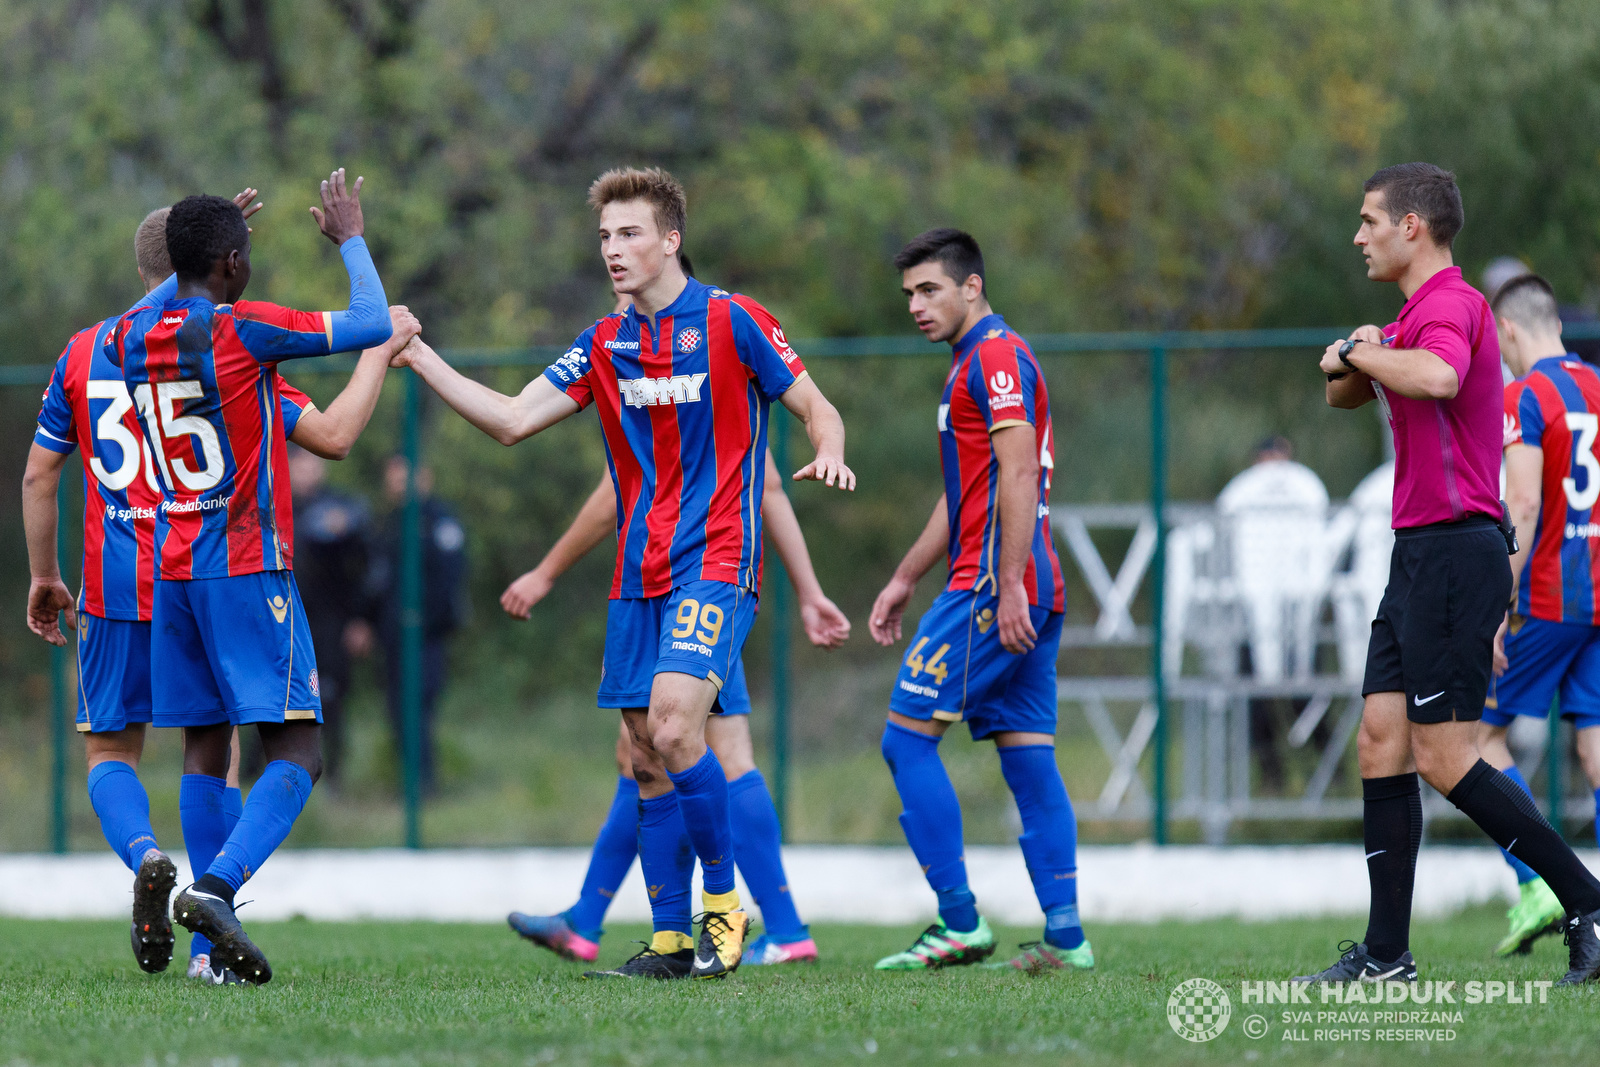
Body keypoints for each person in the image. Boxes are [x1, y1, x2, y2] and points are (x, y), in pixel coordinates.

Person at [391, 165, 853, 980]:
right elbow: (509, 419)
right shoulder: (603, 343)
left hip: (714, 559)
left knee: (678, 727)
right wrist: (419, 355)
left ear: (671, 240)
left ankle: (724, 913)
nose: (613, 249)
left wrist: (831, 449)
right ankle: (671, 939)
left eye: (630, 233)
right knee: (643, 753)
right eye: (605, 236)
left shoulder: (733, 319)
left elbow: (815, 403)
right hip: (637, 571)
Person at [23, 194, 414, 984]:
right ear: (232, 262)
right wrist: (353, 244)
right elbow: (366, 332)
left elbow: (47, 459)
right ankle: (216, 892)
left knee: (194, 746)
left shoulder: (120, 341)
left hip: (160, 571)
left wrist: (198, 245)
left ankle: (190, 912)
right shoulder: (246, 338)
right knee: (298, 747)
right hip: (242, 563)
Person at [1305, 162, 1600, 986]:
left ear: (1413, 228)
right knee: (1381, 743)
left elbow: (1434, 378)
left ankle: (1588, 900)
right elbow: (1343, 396)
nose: (1358, 235)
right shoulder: (1407, 318)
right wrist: (1354, 354)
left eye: (1369, 220)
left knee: (1444, 755)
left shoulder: (1453, 307)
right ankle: (1386, 955)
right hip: (1417, 555)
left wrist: (1358, 349)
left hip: (1456, 550)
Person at [504, 449, 850, 966]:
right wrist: (808, 591)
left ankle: (773, 926)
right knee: (643, 753)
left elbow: (614, 495)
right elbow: (768, 486)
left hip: (696, 587)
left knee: (711, 754)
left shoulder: (696, 379)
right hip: (690, 585)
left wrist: (546, 572)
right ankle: (593, 919)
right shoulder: (675, 378)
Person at [867, 228, 1089, 973]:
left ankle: (958, 920)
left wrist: (1010, 583)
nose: (917, 306)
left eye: (930, 289)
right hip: (1024, 579)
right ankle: (1066, 935)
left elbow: (1019, 474)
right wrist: (903, 574)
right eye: (909, 295)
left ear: (972, 286)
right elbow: (971, 489)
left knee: (905, 739)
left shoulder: (994, 355)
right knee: (1028, 759)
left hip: (995, 585)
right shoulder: (977, 359)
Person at [1481, 272, 1600, 956]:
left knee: (1472, 741)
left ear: (1513, 332)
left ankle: (1539, 882)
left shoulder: (1523, 395)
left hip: (1552, 599)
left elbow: (1522, 505)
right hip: (1599, 595)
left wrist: (1500, 605)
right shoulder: (1598, 387)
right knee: (1594, 750)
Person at [369, 455, 467, 795]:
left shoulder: (439, 521)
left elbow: (449, 580)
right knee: (398, 710)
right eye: (392, 480)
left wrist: (425, 622)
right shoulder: (389, 523)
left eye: (404, 479)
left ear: (424, 478)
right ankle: (409, 782)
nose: (398, 487)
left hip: (426, 637)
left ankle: (425, 786)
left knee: (419, 709)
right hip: (393, 637)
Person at [285, 445, 375, 789]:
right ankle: (263, 775)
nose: (308, 471)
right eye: (300, 465)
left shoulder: (342, 508)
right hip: (285, 621)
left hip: (330, 624)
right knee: (275, 701)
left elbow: (364, 566)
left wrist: (360, 619)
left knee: (331, 697)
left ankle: (331, 773)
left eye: (313, 465)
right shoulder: (274, 504)